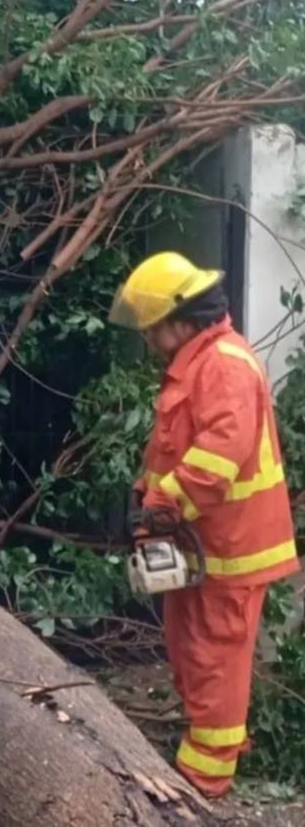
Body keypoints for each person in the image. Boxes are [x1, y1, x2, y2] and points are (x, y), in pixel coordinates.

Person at [110, 251, 300, 798]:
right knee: (189, 650)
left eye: (152, 329)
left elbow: (221, 453)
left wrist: (162, 503)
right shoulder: (196, 364)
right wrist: (147, 498)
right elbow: (173, 448)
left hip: (233, 547)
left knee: (215, 661)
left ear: (179, 320)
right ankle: (197, 760)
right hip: (200, 543)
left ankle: (201, 784)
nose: (148, 340)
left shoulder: (224, 365)